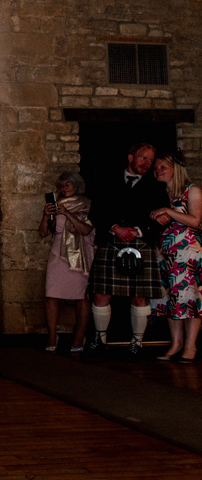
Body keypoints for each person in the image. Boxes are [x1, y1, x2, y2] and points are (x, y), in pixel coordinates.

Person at [86, 143, 170, 359]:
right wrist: (114, 228)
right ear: (130, 157)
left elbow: (163, 219)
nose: (147, 164)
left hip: (141, 244)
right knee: (101, 293)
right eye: (143, 158)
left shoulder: (157, 186)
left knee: (138, 296)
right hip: (112, 242)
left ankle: (137, 342)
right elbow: (96, 212)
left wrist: (140, 230)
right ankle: (100, 339)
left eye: (150, 160)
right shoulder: (107, 180)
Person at [150, 151, 202, 362]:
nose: (158, 171)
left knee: (189, 298)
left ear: (175, 168)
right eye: (156, 168)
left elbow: (195, 221)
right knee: (170, 298)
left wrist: (169, 211)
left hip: (188, 253)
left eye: (162, 167)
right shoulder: (159, 192)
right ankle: (176, 343)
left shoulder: (192, 190)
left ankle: (191, 346)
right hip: (165, 252)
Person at [39, 172, 94, 353]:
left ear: (76, 185)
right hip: (58, 252)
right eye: (62, 186)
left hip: (80, 252)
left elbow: (86, 230)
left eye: (68, 184)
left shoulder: (87, 204)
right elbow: (44, 233)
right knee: (51, 293)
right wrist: (46, 216)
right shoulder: (56, 204)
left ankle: (79, 337)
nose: (65, 188)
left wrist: (68, 214)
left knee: (80, 295)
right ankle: (52, 336)